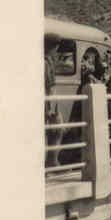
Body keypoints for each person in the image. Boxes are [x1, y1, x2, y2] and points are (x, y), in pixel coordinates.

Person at [44, 33, 63, 170]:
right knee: (54, 130)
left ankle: (52, 161)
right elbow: (48, 85)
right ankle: (51, 162)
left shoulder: (48, 61)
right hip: (48, 101)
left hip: (51, 100)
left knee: (57, 130)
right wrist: (51, 106)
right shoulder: (45, 63)